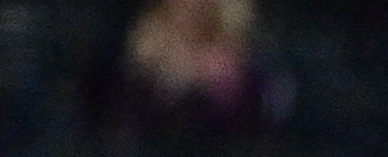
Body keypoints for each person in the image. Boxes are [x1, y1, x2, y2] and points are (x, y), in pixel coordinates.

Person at [108, 0, 290, 135]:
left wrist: (210, 80)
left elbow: (249, 117)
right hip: (154, 156)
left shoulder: (236, 52)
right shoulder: (145, 45)